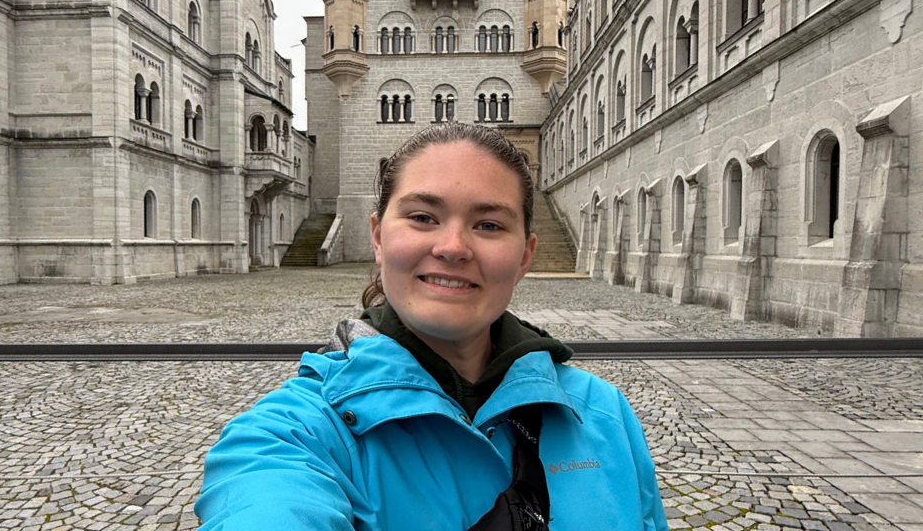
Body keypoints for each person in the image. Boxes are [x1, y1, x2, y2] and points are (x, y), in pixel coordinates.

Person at [195, 123, 669, 531]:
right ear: (379, 237)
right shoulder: (293, 432)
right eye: (423, 217)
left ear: (525, 254)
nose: (453, 246)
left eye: (488, 225)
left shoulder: (603, 413)